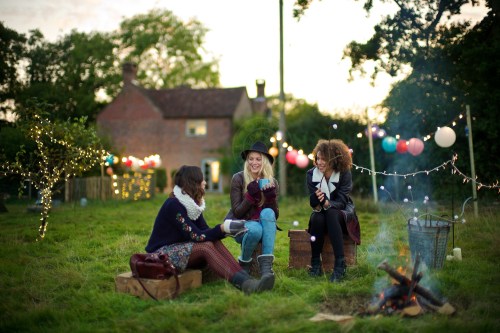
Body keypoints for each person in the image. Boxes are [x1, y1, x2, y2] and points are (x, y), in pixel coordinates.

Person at [145, 165, 274, 294]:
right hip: (161, 254)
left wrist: (227, 229)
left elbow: (205, 230)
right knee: (204, 247)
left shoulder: (192, 205)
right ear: (193, 183)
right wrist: (222, 229)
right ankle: (245, 284)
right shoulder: (174, 205)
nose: (205, 182)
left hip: (179, 248)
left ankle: (248, 280)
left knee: (214, 242)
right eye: (202, 180)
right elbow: (197, 236)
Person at [225, 141, 279, 286]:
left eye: (258, 159)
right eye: (251, 159)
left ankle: (266, 271)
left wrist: (270, 198)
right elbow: (237, 212)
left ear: (265, 162)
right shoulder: (238, 178)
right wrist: (250, 196)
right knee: (255, 230)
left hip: (264, 223)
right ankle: (243, 266)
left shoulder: (271, 182)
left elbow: (274, 215)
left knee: (268, 213)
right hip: (242, 225)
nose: (254, 163)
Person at [306, 139, 361, 283]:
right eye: (318, 158)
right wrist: (315, 199)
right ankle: (316, 264)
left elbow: (342, 202)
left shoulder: (344, 173)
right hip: (322, 214)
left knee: (330, 212)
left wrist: (325, 202)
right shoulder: (311, 174)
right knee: (317, 218)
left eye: (324, 159)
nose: (320, 162)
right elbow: (314, 205)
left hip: (341, 214)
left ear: (334, 160)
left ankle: (340, 265)